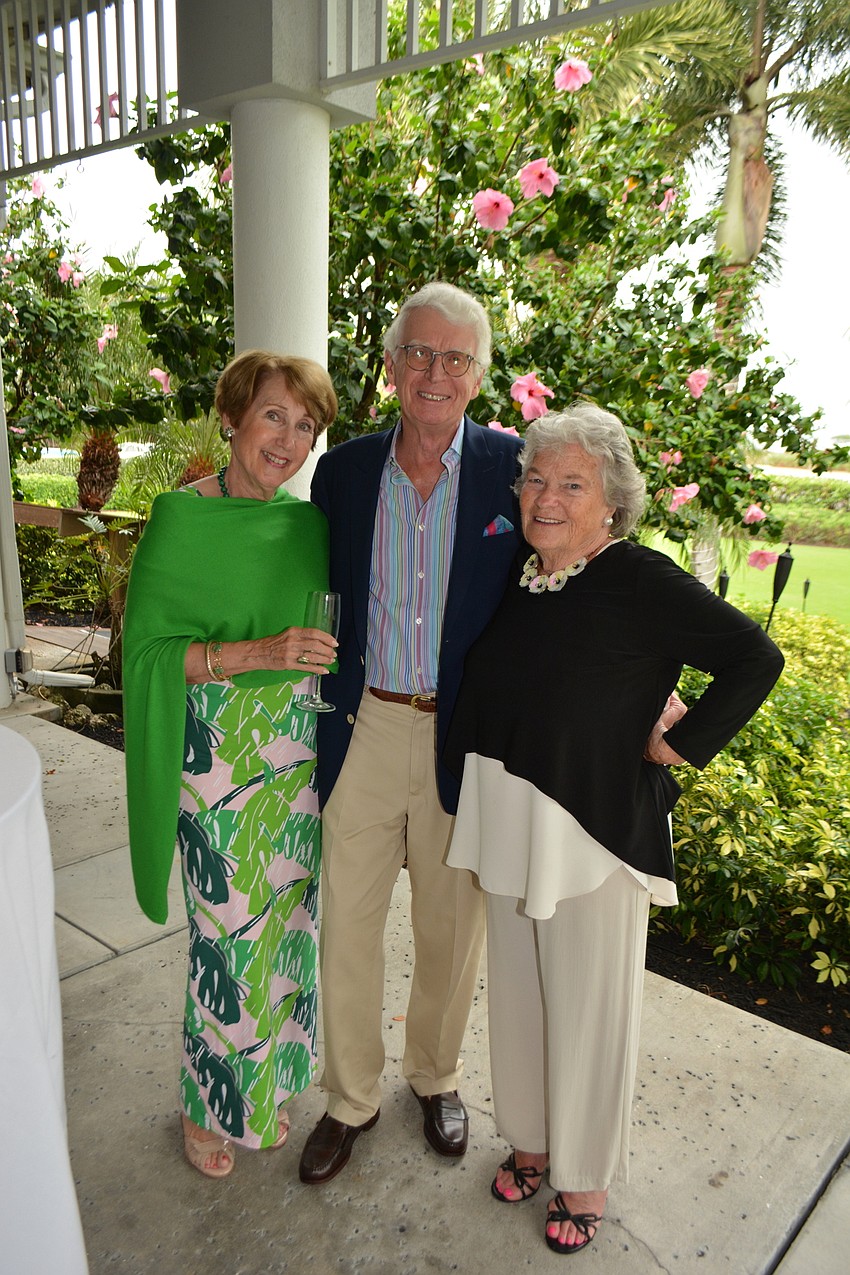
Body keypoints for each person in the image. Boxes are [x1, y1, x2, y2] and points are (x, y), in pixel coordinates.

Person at [444, 404, 784, 1256]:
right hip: (513, 820)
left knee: (588, 1013)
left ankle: (584, 1175)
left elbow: (755, 656)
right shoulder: (525, 572)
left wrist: (678, 741)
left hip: (592, 833)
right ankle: (532, 1139)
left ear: (613, 504)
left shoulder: (638, 577)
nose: (545, 498)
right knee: (520, 996)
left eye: (571, 484)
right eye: (536, 479)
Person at [298, 282, 523, 1184]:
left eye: (454, 357)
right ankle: (349, 1096)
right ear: (392, 365)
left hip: (461, 734)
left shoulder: (514, 468)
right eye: (419, 352)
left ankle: (435, 1074)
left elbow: (565, 575)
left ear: (478, 375)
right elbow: (297, 567)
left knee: (451, 925)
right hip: (364, 723)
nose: (435, 371)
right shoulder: (345, 472)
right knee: (346, 924)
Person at [123, 350, 339, 1179]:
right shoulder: (180, 517)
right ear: (233, 416)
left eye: (305, 425)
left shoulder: (306, 525)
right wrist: (257, 652)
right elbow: (147, 653)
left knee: (287, 925)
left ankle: (264, 1082)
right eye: (274, 415)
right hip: (213, 753)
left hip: (294, 751)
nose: (288, 438)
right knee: (226, 933)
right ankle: (206, 1101)